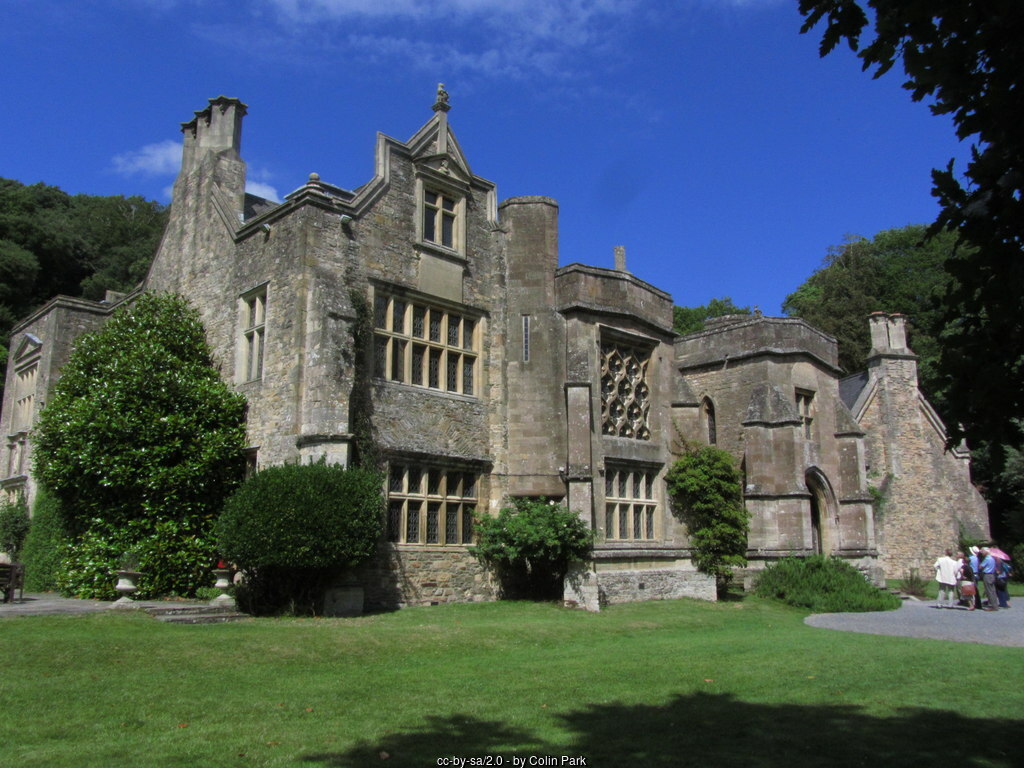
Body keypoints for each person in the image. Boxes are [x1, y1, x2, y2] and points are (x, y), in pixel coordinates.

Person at [978, 547, 999, 611]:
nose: (982, 553)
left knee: (989, 591)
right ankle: (995, 604)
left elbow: (981, 566)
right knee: (993, 591)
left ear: (986, 552)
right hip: (992, 575)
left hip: (987, 575)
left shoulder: (987, 559)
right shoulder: (992, 558)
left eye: (983, 552)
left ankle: (992, 606)